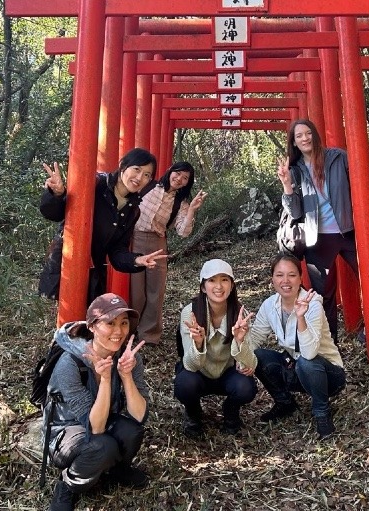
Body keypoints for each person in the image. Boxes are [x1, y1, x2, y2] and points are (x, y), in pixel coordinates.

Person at [276, 119, 369, 344]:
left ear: (315, 135)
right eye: (299, 136)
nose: (305, 138)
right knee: (323, 295)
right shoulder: (294, 170)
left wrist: (366, 161)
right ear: (294, 143)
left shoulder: (337, 157)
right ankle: (330, 345)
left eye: (308, 133)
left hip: (348, 232)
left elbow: (357, 175)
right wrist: (286, 184)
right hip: (317, 238)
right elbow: (295, 211)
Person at [43, 293, 150, 510]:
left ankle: (116, 469)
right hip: (65, 430)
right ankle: (68, 484)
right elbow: (95, 427)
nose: (118, 331)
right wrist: (105, 380)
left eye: (124, 323)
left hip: (101, 416)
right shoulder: (70, 363)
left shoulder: (128, 356)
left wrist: (126, 376)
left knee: (133, 432)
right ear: (92, 326)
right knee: (103, 446)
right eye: (110, 323)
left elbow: (139, 415)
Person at [236, 253, 346, 440]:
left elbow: (310, 353)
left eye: (292, 275)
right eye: (279, 275)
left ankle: (322, 413)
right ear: (272, 279)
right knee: (259, 356)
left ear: (301, 278)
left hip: (328, 375)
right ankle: (284, 403)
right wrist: (241, 340)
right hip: (298, 368)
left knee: (306, 362)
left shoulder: (312, 305)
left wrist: (301, 317)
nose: (285, 281)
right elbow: (254, 342)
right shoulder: (270, 305)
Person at [38, 147, 166, 304]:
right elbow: (55, 214)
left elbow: (116, 250)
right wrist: (58, 194)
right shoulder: (96, 184)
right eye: (136, 169)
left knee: (87, 324)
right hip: (65, 266)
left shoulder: (133, 211)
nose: (140, 177)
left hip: (93, 272)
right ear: (123, 166)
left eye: (147, 175)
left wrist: (136, 260)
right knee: (64, 325)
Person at [174, 259, 257, 438]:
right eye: (212, 280)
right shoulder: (191, 313)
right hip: (198, 373)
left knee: (246, 387)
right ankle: (193, 412)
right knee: (184, 384)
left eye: (224, 279)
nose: (218, 286)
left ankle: (231, 410)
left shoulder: (240, 314)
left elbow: (250, 364)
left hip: (227, 374)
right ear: (203, 287)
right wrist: (197, 343)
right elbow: (190, 365)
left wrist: (240, 342)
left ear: (232, 285)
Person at [130, 161, 207, 345]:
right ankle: (130, 330)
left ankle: (149, 335)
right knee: (136, 290)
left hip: (157, 243)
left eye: (185, 178)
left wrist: (192, 211)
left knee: (155, 290)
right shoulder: (148, 186)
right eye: (177, 173)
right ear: (170, 171)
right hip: (134, 239)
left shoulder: (181, 203)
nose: (179, 179)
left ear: (188, 183)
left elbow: (183, 231)